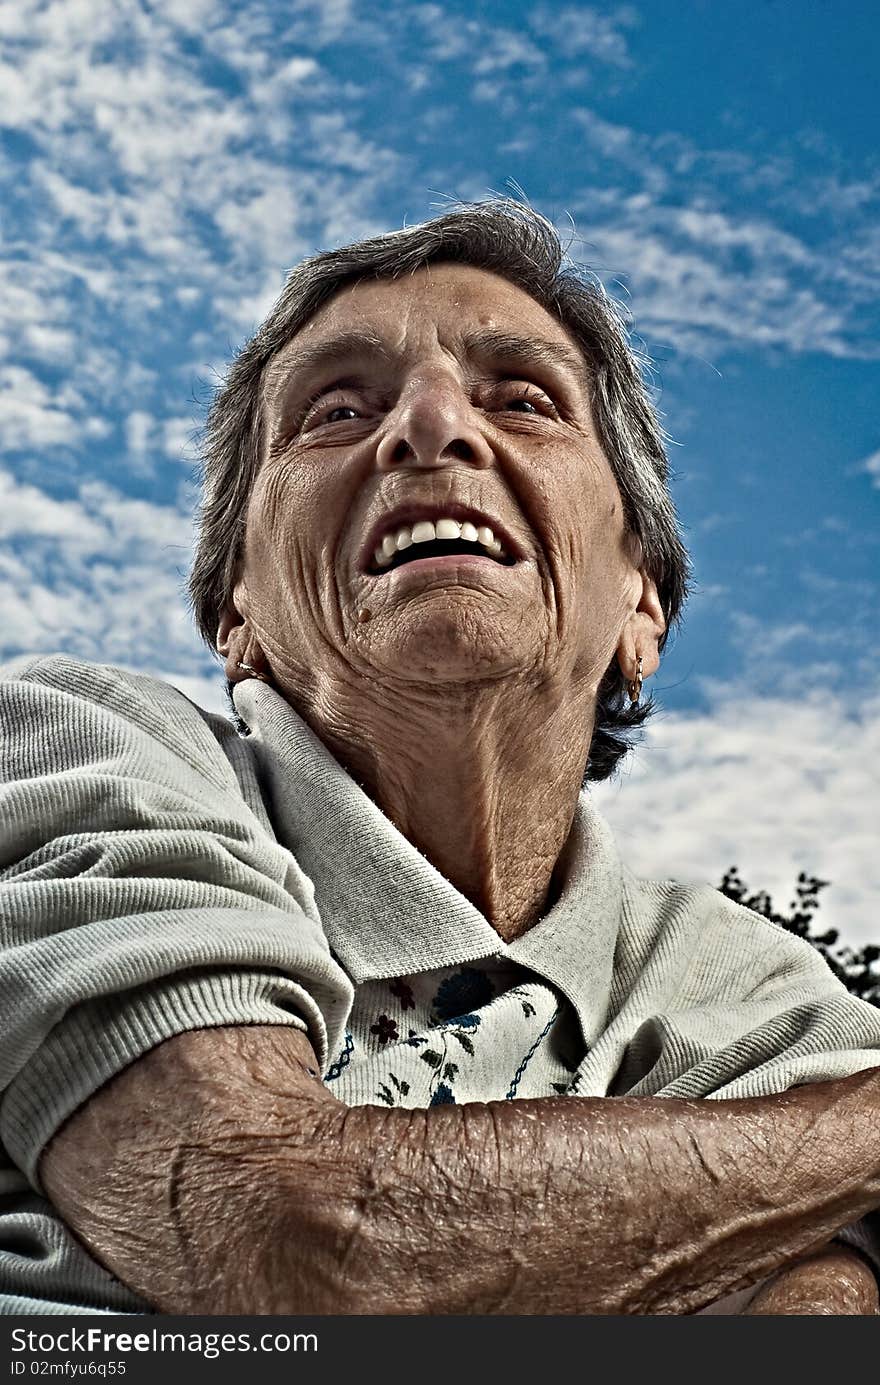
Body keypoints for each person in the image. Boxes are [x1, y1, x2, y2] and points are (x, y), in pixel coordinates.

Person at [1, 201, 879, 1317]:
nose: (430, 429)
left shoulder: (754, 992)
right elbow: (295, 1235)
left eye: (523, 399)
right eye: (333, 409)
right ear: (237, 613)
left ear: (638, 605)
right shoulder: (75, 747)